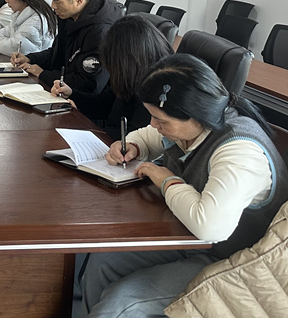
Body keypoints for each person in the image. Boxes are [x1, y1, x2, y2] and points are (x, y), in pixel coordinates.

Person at [77, 53, 288, 318]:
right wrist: (133, 146)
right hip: (188, 237)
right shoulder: (195, 125)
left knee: (123, 303)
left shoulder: (239, 151)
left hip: (233, 259)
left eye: (161, 121)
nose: (154, 124)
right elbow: (149, 135)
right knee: (104, 261)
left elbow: (210, 226)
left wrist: (166, 179)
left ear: (196, 116)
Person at [52, 15, 174, 140]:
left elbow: (128, 136)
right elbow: (104, 103)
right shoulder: (131, 75)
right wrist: (72, 94)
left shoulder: (156, 91)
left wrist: (80, 121)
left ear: (126, 61)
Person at [11, 0, 123, 93]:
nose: (52, 6)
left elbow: (89, 83)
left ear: (79, 0)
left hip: (87, 101)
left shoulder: (100, 32)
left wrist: (43, 74)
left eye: (57, 1)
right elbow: (56, 53)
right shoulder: (68, 17)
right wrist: (30, 58)